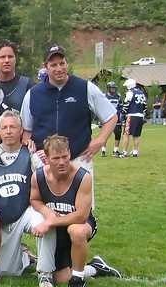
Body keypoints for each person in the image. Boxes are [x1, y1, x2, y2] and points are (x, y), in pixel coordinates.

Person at [20, 45, 116, 204]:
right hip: (46, 166)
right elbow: (27, 131)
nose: (59, 68)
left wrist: (100, 140)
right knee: (48, 212)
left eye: (62, 63)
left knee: (82, 213)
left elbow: (111, 116)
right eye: (53, 65)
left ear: (67, 63)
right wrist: (30, 145)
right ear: (45, 67)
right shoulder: (33, 94)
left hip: (78, 160)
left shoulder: (85, 88)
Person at [0, 110, 55, 287]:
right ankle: (26, 256)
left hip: (26, 211)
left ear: (21, 131)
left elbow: (48, 182)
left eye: (13, 127)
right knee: (8, 271)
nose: (9, 131)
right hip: (2, 217)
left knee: (45, 221)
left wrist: (47, 164)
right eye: (4, 127)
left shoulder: (31, 154)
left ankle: (45, 273)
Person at [30, 135, 97, 287]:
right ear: (46, 158)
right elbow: (35, 200)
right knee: (60, 278)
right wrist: (47, 213)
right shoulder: (38, 176)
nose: (61, 162)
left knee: (77, 231)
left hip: (80, 223)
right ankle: (96, 267)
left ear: (70, 154)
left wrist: (50, 222)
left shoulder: (83, 177)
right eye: (56, 158)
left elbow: (81, 216)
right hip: (58, 229)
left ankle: (77, 280)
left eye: (65, 157)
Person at [0, 40, 33, 117]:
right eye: (2, 57)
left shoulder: (27, 85)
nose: (7, 60)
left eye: (10, 57)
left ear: (15, 59)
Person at [118, 78, 147, 158]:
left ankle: (124, 152)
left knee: (126, 134)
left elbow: (126, 104)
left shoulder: (130, 93)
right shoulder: (141, 93)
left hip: (131, 116)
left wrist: (123, 112)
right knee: (136, 135)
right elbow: (145, 106)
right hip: (140, 116)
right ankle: (135, 151)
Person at [101, 81, 123, 157]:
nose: (113, 89)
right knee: (106, 135)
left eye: (114, 88)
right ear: (108, 88)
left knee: (118, 134)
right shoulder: (104, 96)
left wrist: (120, 115)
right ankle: (103, 150)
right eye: (112, 88)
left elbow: (120, 106)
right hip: (107, 118)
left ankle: (115, 150)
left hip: (116, 117)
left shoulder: (118, 96)